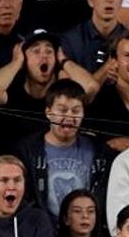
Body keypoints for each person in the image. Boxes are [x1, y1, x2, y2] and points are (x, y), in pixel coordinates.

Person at [13, 80, 110, 221]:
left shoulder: (98, 151)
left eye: (76, 111)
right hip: (42, 230)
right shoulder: (27, 151)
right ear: (48, 112)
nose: (69, 116)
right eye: (62, 110)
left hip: (85, 230)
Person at [86, 29, 129, 148]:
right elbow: (84, 141)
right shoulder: (99, 102)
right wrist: (109, 144)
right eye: (128, 55)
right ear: (114, 61)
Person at [60, 0, 126, 76]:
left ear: (122, 0)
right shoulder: (70, 41)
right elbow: (68, 85)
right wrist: (104, 72)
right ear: (90, 0)